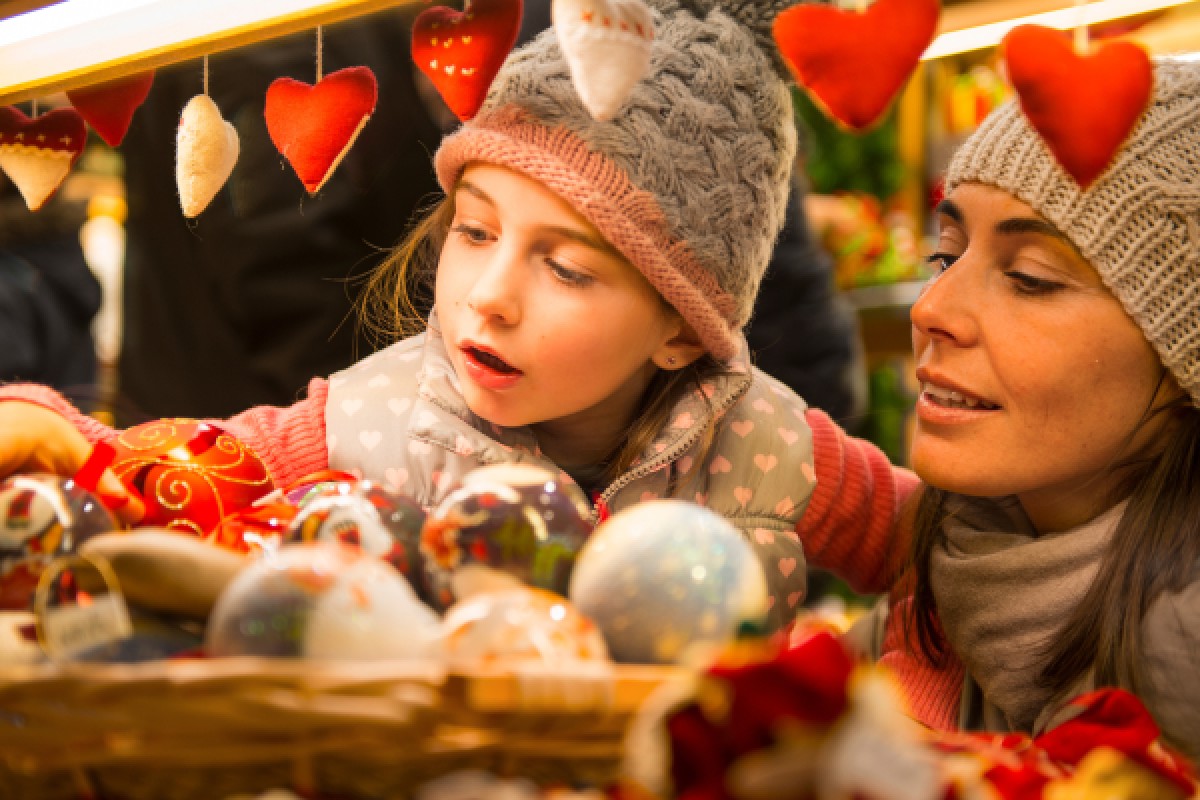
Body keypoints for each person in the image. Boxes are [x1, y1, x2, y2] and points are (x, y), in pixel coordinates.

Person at [0, 1, 912, 634]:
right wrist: (61, 435)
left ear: (682, 324)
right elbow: (191, 471)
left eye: (565, 267)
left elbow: (946, 554)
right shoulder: (374, 421)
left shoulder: (771, 446)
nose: (488, 295)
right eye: (474, 231)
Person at [864, 56, 1199, 760]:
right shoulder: (954, 566)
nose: (931, 310)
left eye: (1028, 279)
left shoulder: (1182, 663)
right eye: (945, 255)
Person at [115, 9, 444, 424]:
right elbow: (282, 271)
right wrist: (361, 424)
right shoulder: (272, 37)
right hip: (267, 427)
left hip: (204, 397)